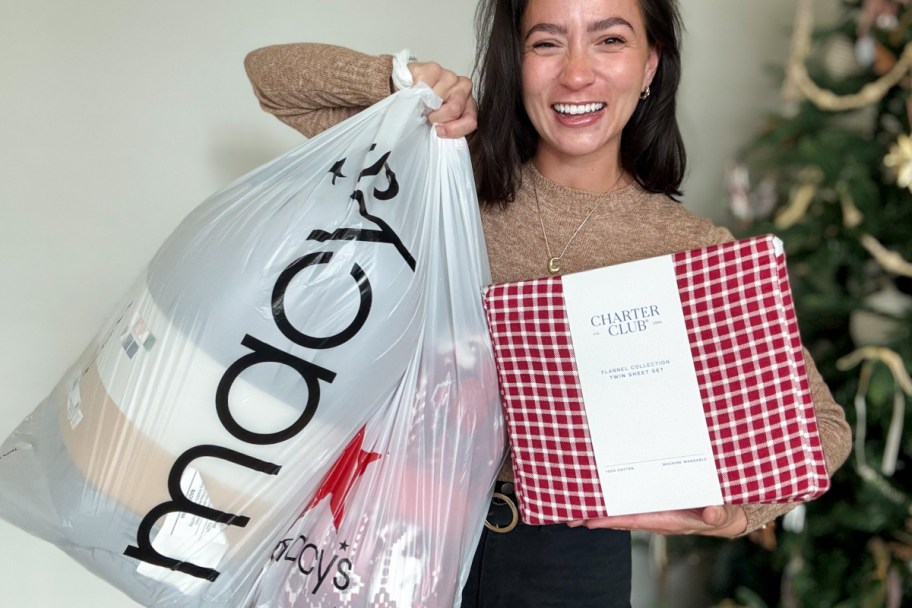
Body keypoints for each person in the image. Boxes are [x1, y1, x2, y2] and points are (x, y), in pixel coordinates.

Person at [244, 0, 853, 605]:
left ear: (650, 67)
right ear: (515, 60)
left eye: (610, 40)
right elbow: (272, 79)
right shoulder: (444, 163)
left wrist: (734, 514)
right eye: (547, 42)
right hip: (388, 518)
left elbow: (822, 429)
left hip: (565, 564)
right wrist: (406, 81)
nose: (577, 73)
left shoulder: (688, 249)